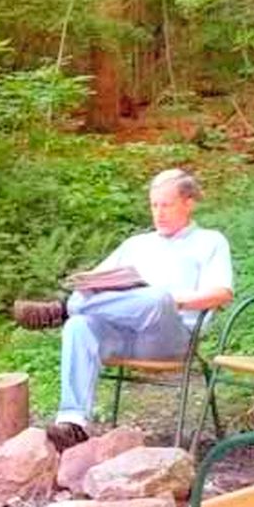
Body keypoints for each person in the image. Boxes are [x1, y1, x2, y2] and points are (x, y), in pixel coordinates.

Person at [40, 168, 233, 451]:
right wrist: (87, 287)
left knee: (156, 298)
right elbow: (91, 284)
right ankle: (73, 423)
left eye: (166, 205)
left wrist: (173, 300)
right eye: (154, 205)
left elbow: (222, 293)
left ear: (189, 203)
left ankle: (63, 308)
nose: (159, 213)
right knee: (78, 325)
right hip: (124, 337)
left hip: (172, 337)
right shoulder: (137, 244)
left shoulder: (210, 241)